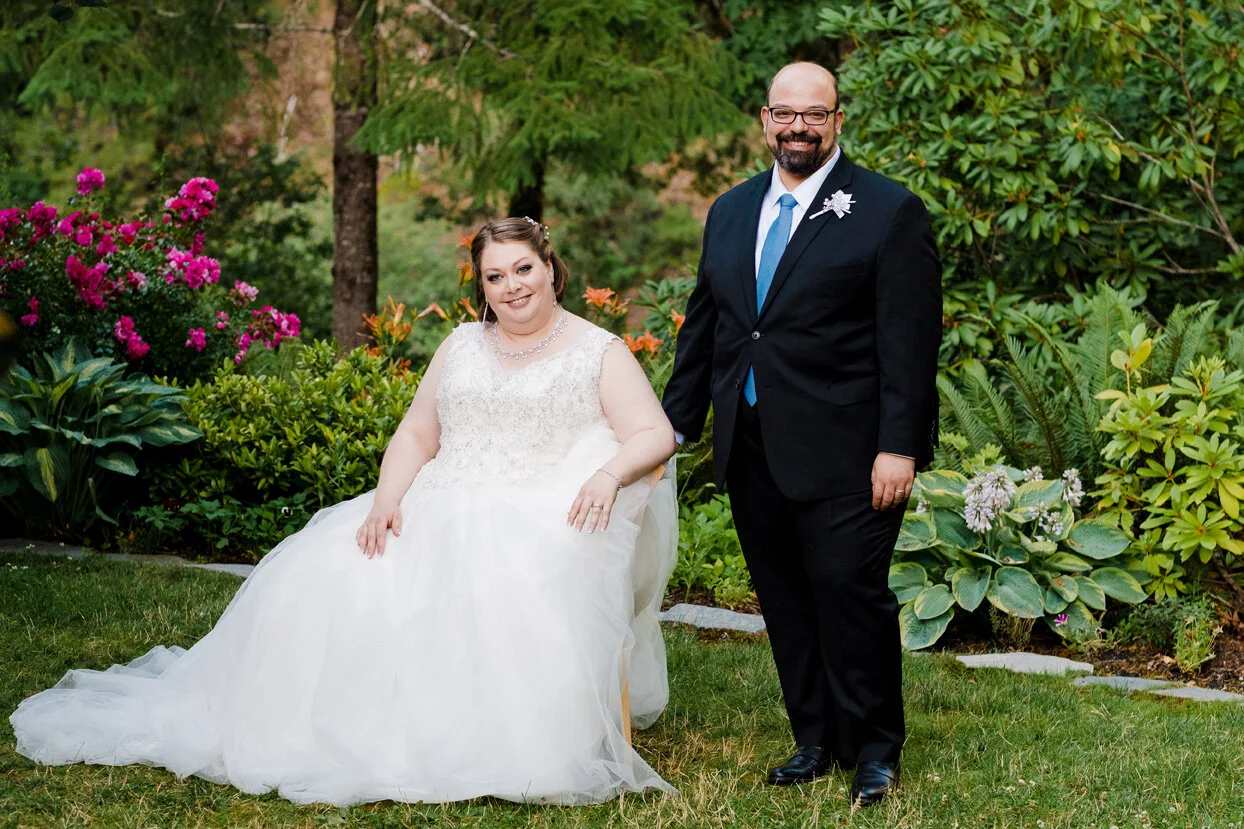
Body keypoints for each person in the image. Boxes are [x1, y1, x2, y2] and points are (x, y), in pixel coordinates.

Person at [11, 217, 681, 807]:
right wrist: (387, 499)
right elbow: (417, 433)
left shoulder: (597, 350)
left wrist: (607, 473)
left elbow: (654, 433)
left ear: (550, 267)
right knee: (328, 576)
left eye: (523, 268)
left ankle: (482, 734)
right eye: (495, 276)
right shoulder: (461, 344)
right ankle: (318, 723)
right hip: (439, 497)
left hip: (537, 510)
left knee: (496, 588)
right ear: (481, 286)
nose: (512, 287)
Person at [662, 62, 942, 806]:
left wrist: (899, 446)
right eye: (784, 113)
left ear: (837, 121)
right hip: (752, 447)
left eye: (814, 115)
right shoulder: (730, 210)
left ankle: (874, 749)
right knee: (785, 600)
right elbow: (708, 329)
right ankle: (815, 737)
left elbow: (909, 342)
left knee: (850, 594)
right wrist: (672, 429)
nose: (798, 127)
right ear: (764, 120)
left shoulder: (888, 210)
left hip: (851, 451)